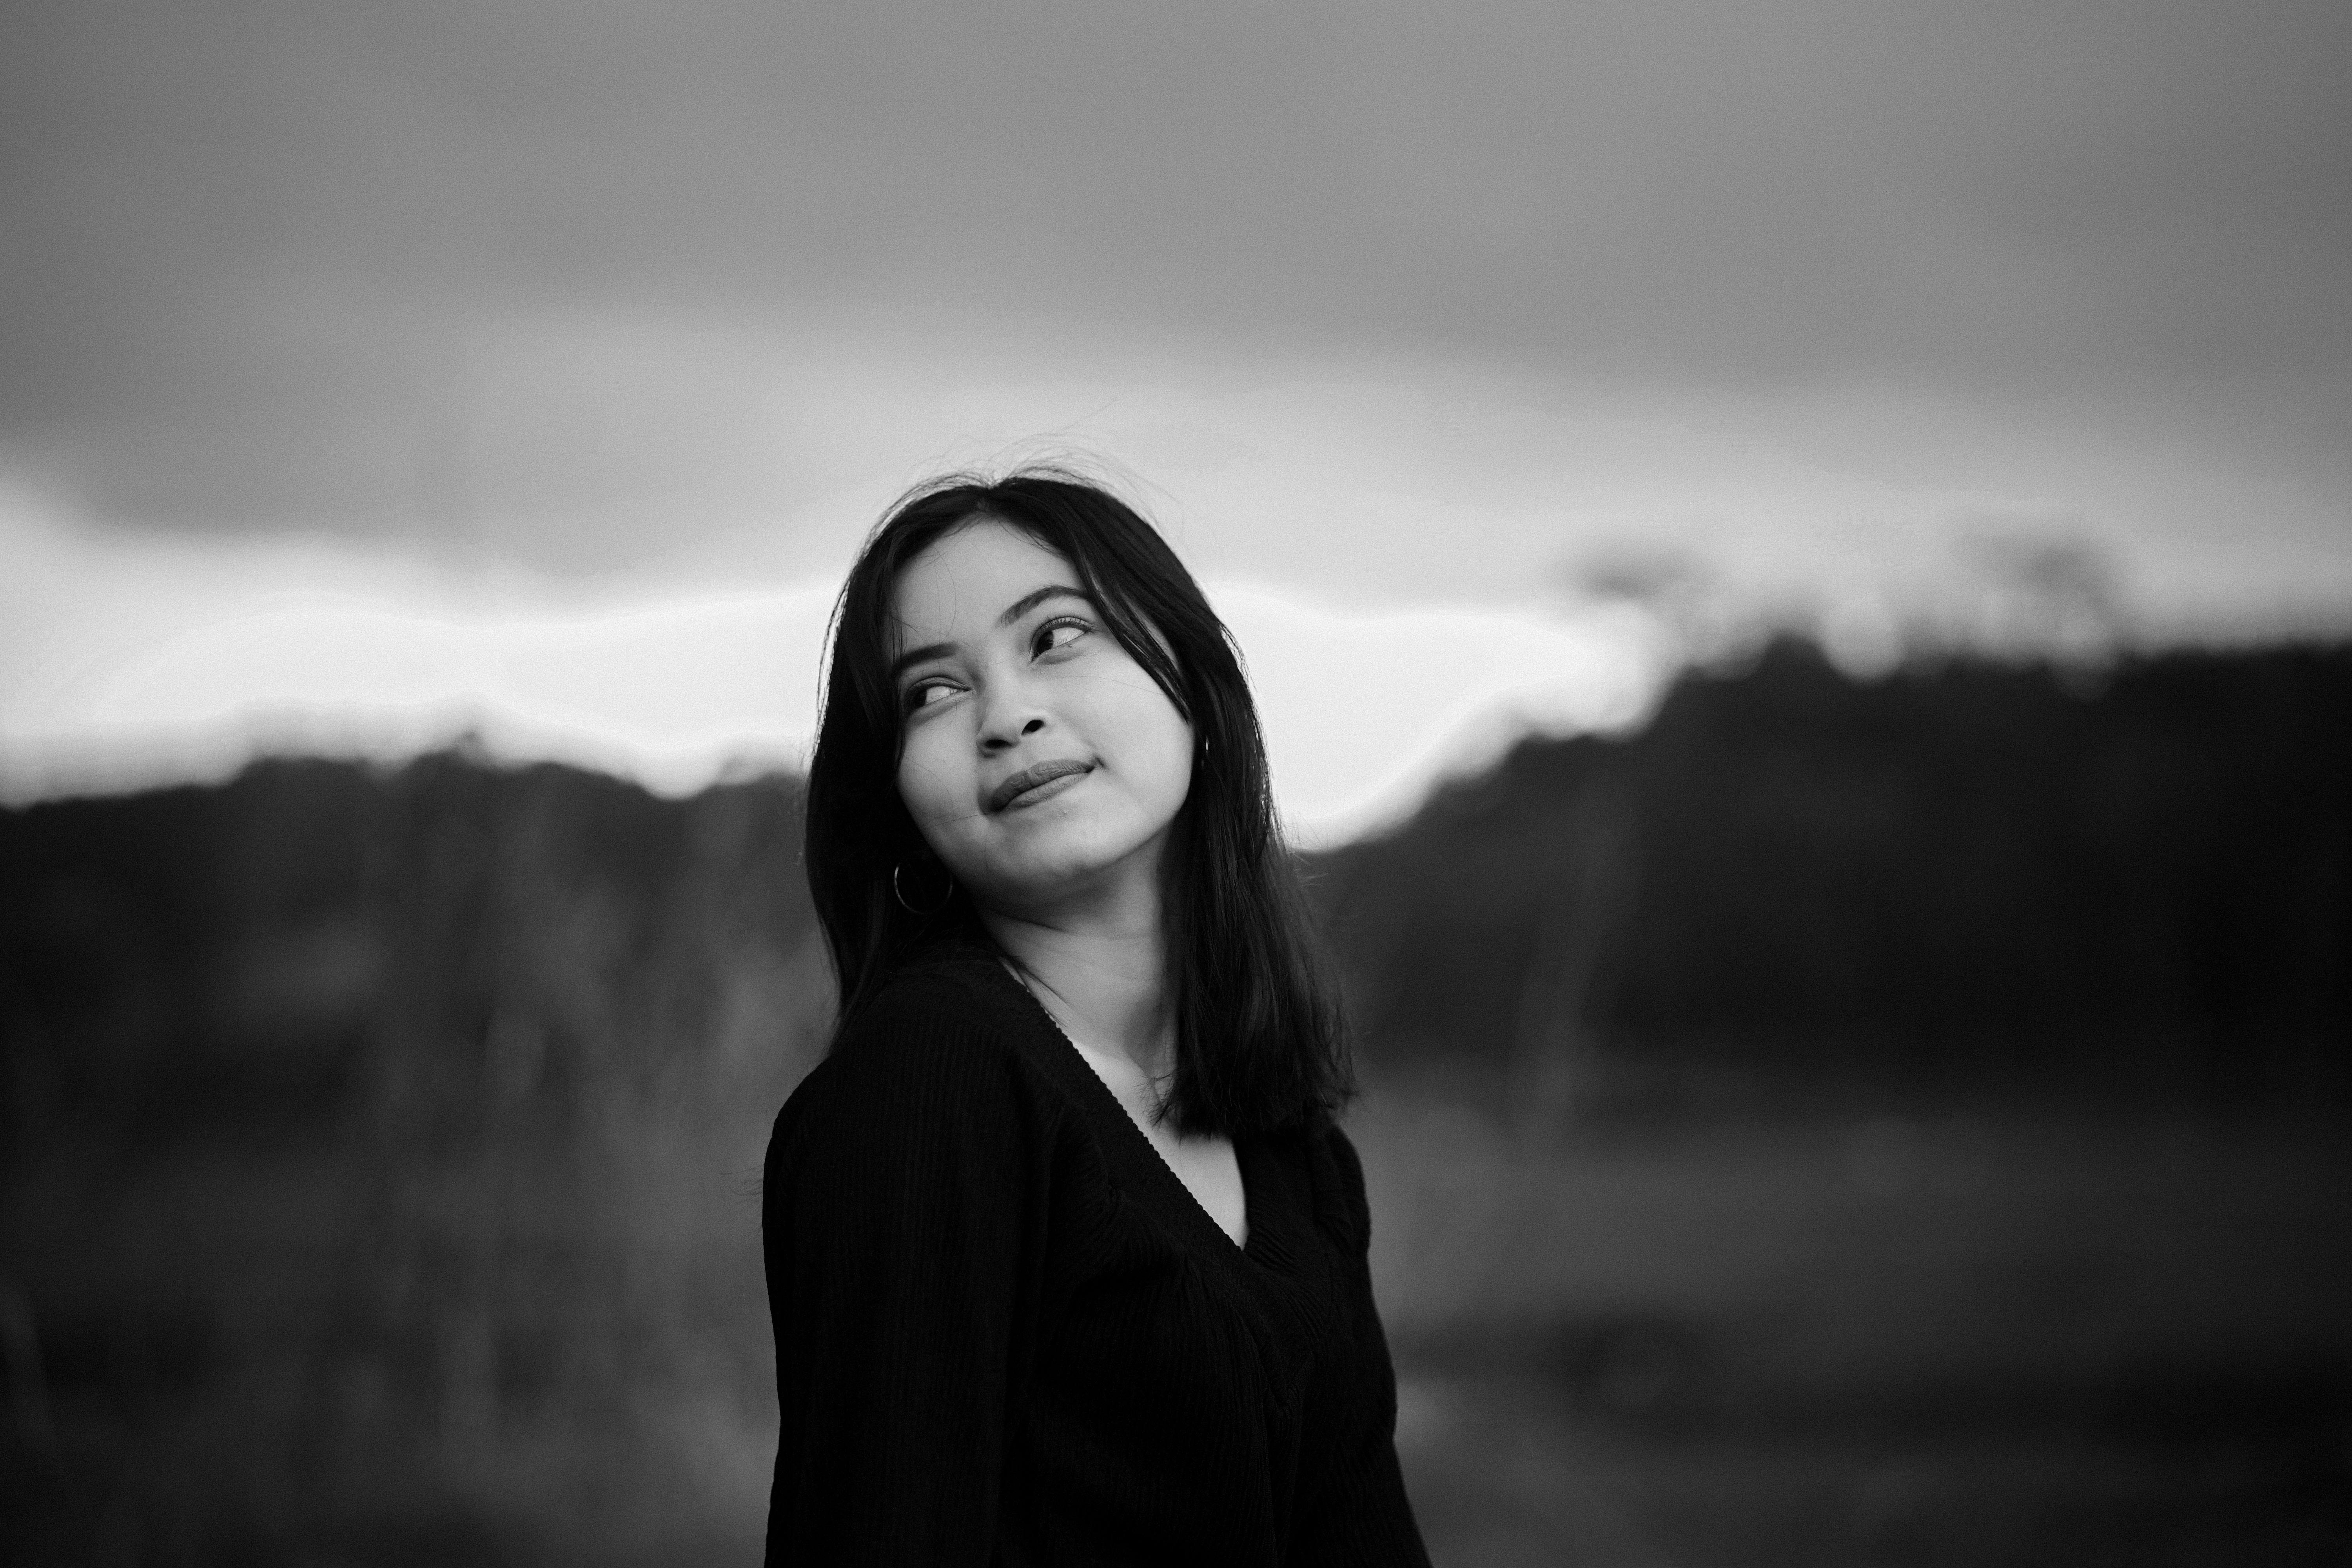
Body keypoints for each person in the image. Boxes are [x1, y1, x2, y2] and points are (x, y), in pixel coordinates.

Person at [762, 468, 1431, 1565]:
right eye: (932, 691)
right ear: (897, 803)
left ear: (1193, 690)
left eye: (1058, 636)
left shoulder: (1300, 1160)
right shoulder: (931, 1083)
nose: (1007, 715)